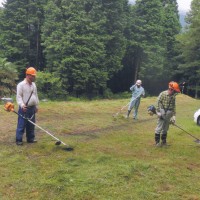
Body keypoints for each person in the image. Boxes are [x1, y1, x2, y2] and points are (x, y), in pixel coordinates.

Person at [16, 67, 39, 145]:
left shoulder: (34, 85)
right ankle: (19, 140)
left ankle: (30, 138)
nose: (34, 77)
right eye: (33, 76)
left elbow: (36, 95)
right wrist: (22, 105)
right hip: (24, 108)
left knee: (31, 124)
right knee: (21, 124)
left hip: (32, 108)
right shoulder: (21, 85)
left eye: (34, 75)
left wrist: (36, 105)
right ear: (28, 75)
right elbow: (19, 97)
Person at [154, 81, 180, 146]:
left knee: (166, 128)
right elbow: (158, 102)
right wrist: (158, 112)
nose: (174, 93)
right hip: (162, 112)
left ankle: (164, 142)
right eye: (174, 91)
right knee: (159, 127)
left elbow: (174, 106)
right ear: (171, 89)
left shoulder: (173, 96)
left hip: (169, 113)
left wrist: (173, 116)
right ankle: (157, 143)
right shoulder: (162, 94)